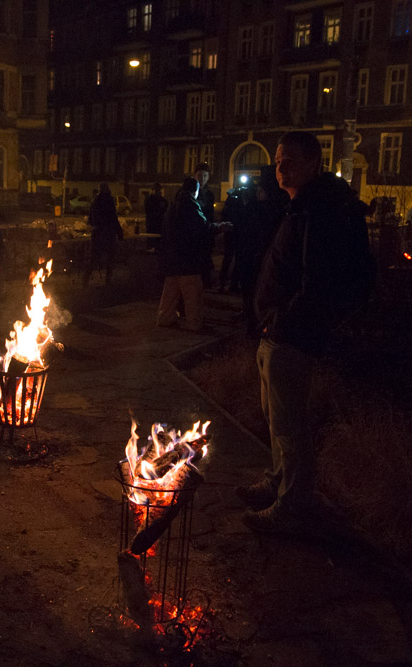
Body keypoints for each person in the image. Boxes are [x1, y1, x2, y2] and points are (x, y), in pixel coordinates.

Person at [238, 131, 371, 531]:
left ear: (313, 162)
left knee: (289, 423)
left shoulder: (320, 211)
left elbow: (318, 284)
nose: (281, 169)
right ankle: (279, 480)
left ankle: (292, 505)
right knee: (275, 417)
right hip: (277, 333)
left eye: (290, 161)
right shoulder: (301, 205)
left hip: (292, 337)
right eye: (278, 161)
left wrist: (281, 321)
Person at [156, 177, 229, 331]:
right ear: (194, 190)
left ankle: (164, 319)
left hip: (171, 259)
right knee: (192, 294)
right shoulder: (190, 205)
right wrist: (219, 227)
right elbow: (202, 228)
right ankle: (194, 323)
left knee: (170, 294)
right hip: (188, 259)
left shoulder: (173, 205)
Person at [236, 168, 285, 337]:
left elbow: (245, 233)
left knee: (254, 296)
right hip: (260, 261)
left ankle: (255, 328)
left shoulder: (258, 210)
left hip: (255, 261)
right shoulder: (281, 210)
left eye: (260, 191)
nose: (258, 194)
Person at [83, 182, 124, 287]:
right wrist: (119, 232)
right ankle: (108, 281)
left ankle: (85, 280)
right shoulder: (109, 201)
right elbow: (113, 218)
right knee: (110, 257)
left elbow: (90, 220)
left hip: (97, 233)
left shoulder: (95, 202)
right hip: (108, 233)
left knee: (94, 258)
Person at [193, 162, 217, 288]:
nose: (202, 179)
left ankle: (205, 282)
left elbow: (210, 215)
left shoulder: (209, 195)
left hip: (205, 232)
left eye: (205, 176)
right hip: (193, 234)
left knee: (206, 258)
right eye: (199, 175)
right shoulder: (189, 192)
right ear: (195, 176)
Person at [143, 183, 167, 252]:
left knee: (158, 237)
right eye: (156, 190)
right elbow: (148, 211)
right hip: (151, 223)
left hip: (159, 223)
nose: (158, 192)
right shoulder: (149, 200)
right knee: (151, 237)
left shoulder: (163, 200)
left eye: (159, 190)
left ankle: (157, 248)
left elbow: (165, 210)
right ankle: (150, 248)